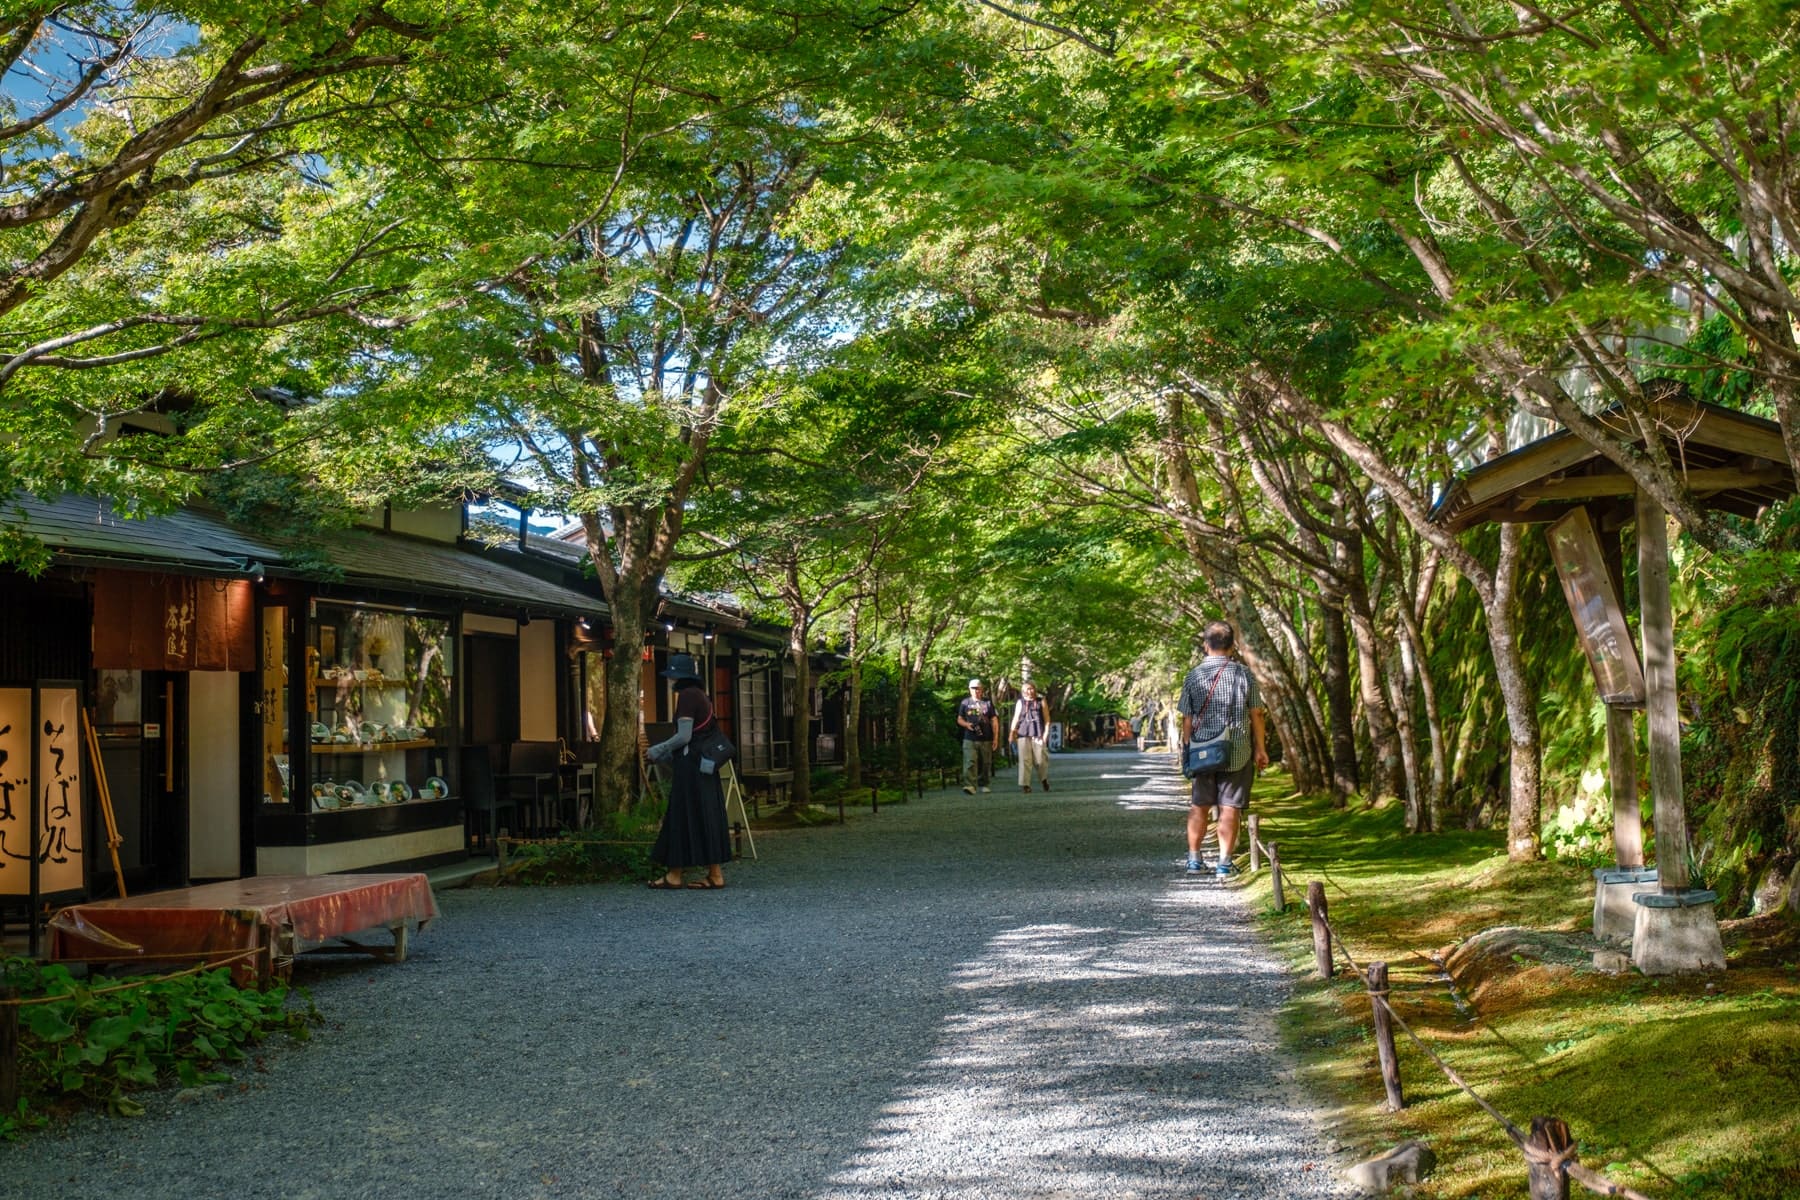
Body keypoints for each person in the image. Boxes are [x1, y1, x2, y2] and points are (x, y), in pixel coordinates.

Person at [1179, 620, 1269, 877]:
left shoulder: (1193, 676)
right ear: (1232, 647)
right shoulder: (1244, 674)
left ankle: (1195, 860)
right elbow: (1257, 713)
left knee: (1200, 805)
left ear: (1206, 646)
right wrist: (1260, 748)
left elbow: (1186, 718)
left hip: (1202, 751)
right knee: (1230, 807)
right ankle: (1224, 863)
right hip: (1237, 750)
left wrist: (1188, 748)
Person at [645, 653, 730, 889]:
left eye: (673, 675)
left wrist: (657, 750)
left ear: (680, 677)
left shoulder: (687, 697)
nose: (670, 680)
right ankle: (713, 873)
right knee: (704, 816)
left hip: (690, 767)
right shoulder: (701, 696)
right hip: (704, 766)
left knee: (682, 817)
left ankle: (675, 874)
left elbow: (684, 736)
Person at [955, 678, 999, 794]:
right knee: (970, 761)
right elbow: (959, 719)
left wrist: (995, 738)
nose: (976, 691)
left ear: (982, 689)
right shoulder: (965, 703)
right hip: (969, 737)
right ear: (969, 689)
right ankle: (970, 785)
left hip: (986, 737)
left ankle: (985, 783)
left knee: (986, 762)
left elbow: (994, 720)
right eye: (973, 688)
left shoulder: (988, 703)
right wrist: (966, 724)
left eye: (978, 688)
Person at [1009, 680, 1053, 793]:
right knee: (1025, 760)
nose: (1030, 691)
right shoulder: (1020, 702)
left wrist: (1046, 733)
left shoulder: (1041, 701)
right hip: (1023, 733)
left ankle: (1043, 779)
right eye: (1027, 689)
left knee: (1041, 760)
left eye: (1032, 688)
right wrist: (1012, 732)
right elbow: (1016, 718)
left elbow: (1047, 718)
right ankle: (1025, 784)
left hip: (1038, 733)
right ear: (1023, 691)